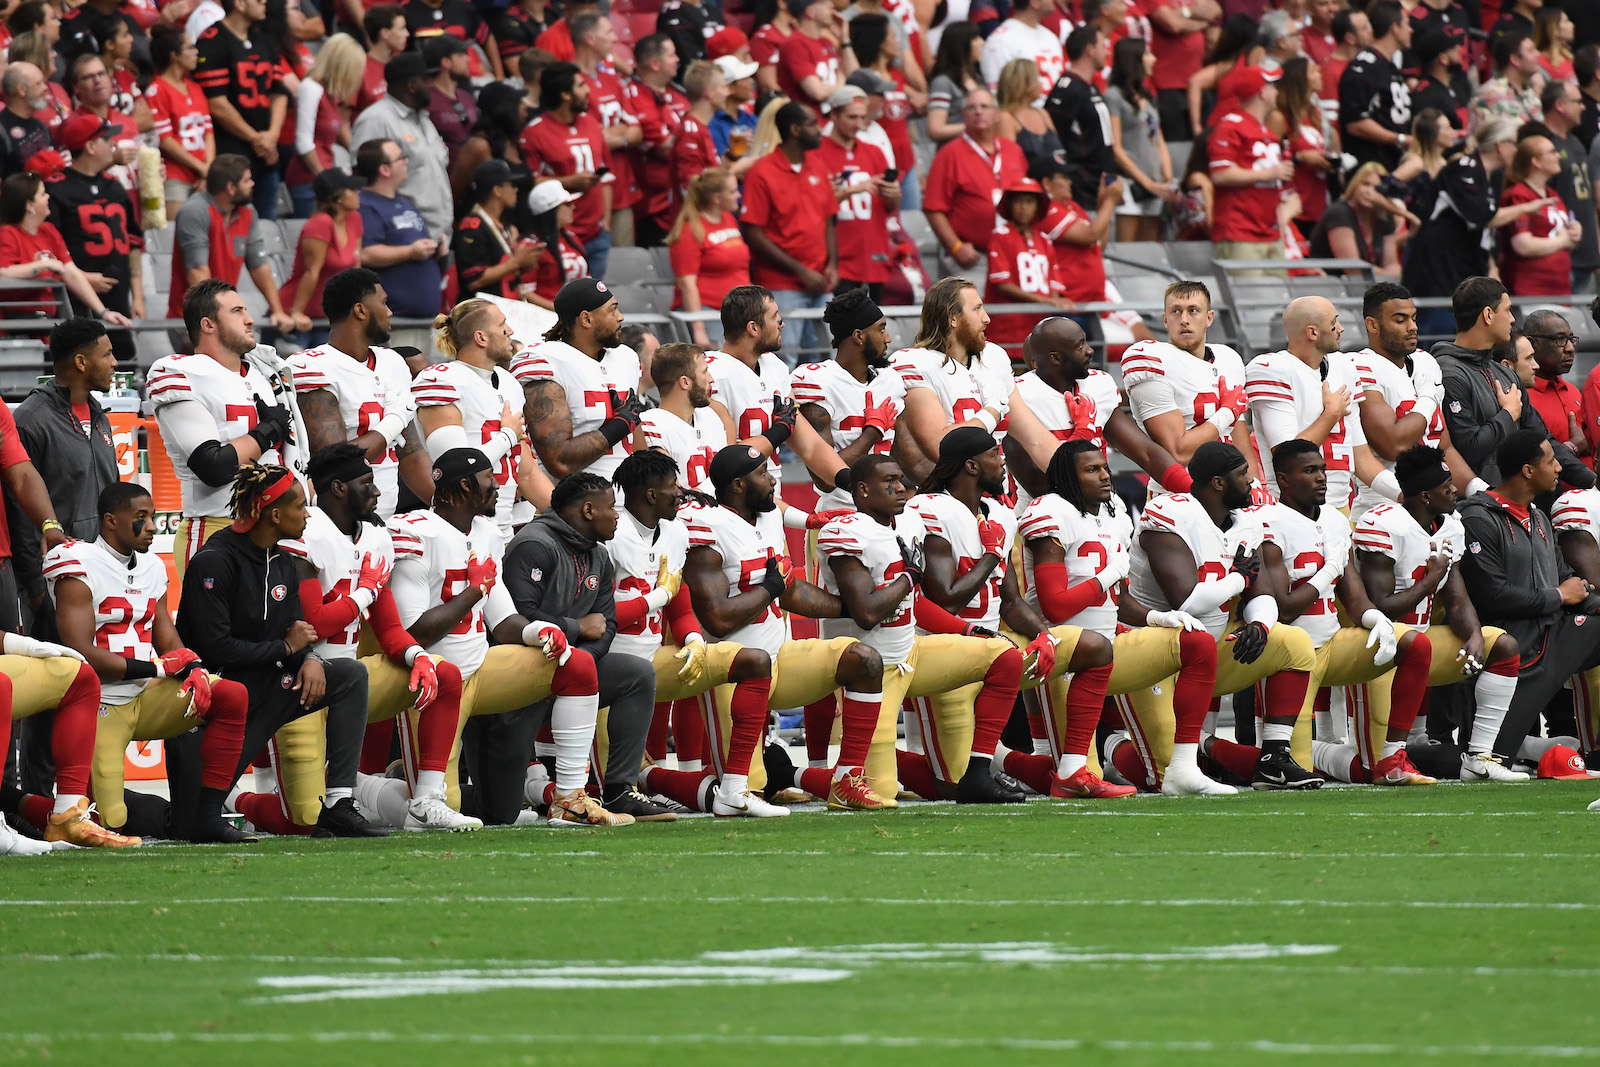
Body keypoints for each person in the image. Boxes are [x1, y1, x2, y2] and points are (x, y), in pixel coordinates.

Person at [244, 443, 476, 834]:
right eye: (367, 483)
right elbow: (312, 622)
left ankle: (425, 800)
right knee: (306, 821)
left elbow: (387, 629)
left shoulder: (375, 537)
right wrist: (365, 591)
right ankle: (238, 800)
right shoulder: (304, 531)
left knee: (443, 673)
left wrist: (416, 655)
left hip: (349, 679)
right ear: (337, 488)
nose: (378, 491)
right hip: (302, 679)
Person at [385, 447, 623, 826]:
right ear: (464, 486)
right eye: (488, 480)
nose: (498, 488)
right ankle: (371, 791)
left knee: (574, 664)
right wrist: (473, 591)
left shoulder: (485, 532)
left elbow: (503, 620)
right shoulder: (415, 532)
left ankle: (569, 797)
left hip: (482, 668)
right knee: (426, 814)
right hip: (434, 680)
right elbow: (415, 632)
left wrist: (540, 630)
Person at [175, 464, 385, 836]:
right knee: (187, 822)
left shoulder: (284, 561)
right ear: (274, 514)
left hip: (272, 686)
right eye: (301, 507)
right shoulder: (214, 561)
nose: (308, 514)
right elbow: (214, 649)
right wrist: (286, 648)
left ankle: (338, 801)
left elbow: (297, 633)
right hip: (225, 699)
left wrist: (309, 658)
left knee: (350, 675)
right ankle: (230, 800)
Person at [683, 444, 889, 809]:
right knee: (745, 794)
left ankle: (845, 779)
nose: (773, 478)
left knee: (864, 661)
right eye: (762, 473)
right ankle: (648, 776)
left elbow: (790, 590)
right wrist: (770, 588)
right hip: (734, 668)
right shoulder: (708, 528)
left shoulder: (767, 519)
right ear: (738, 486)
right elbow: (716, 617)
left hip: (781, 657)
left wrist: (849, 607)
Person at [819, 449, 1031, 804]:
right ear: (862, 490)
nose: (901, 488)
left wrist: (964, 630)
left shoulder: (911, 524)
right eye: (889, 482)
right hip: (873, 671)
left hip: (912, 653)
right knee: (881, 791)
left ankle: (979, 771)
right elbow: (868, 613)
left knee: (1003, 656)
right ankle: (802, 772)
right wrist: (908, 577)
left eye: (901, 480)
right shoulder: (846, 532)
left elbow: (913, 603)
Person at [46, 480, 252, 842]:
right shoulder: (78, 561)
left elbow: (164, 632)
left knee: (230, 695)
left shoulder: (153, 567)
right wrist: (159, 668)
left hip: (147, 695)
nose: (153, 526)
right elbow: (82, 652)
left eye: (154, 517)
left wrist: (192, 666)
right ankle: (60, 809)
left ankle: (208, 813)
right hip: (99, 703)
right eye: (141, 517)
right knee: (111, 822)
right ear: (111, 520)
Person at [1018, 439, 1224, 794]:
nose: (1105, 476)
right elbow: (1055, 607)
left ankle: (1185, 767)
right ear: (1069, 475)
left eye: (1104, 467)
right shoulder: (1050, 513)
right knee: (1063, 779)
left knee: (1197, 642)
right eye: (1092, 470)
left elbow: (1120, 600)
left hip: (1107, 650)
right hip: (1061, 653)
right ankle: (1001, 759)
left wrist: (1158, 617)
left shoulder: (1113, 511)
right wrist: (1107, 576)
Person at [1119, 441, 1320, 790]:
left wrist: (1259, 622)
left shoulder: (1246, 522)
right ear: (1218, 483)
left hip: (1208, 651)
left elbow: (1263, 593)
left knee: (1295, 643)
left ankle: (1273, 758)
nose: (1253, 482)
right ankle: (1115, 745)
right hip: (1155, 649)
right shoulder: (1171, 515)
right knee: (1161, 777)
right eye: (1243, 475)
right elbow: (1187, 601)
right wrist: (1238, 578)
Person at [607, 448, 783, 817]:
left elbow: (680, 603)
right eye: (673, 486)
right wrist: (656, 598)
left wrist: (691, 638)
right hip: (605, 665)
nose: (683, 493)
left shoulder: (674, 531)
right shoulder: (611, 534)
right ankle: (647, 780)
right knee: (602, 784)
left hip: (652, 656)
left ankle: (734, 788)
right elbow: (595, 613)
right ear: (652, 495)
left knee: (751, 661)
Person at [1251, 440, 1435, 787]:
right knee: (1288, 772)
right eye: (1310, 471)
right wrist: (1328, 571)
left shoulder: (1335, 521)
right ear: (1283, 479)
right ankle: (1213, 747)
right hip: (1289, 658)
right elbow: (1284, 610)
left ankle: (1394, 758)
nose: (1322, 478)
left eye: (1322, 469)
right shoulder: (1269, 522)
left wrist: (1375, 619)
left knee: (1415, 645)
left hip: (1333, 645)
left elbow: (1354, 596)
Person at [497, 471, 667, 822]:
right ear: (588, 510)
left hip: (570, 669)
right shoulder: (534, 545)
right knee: (497, 808)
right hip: (521, 670)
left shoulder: (600, 556)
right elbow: (516, 620)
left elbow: (606, 625)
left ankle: (620, 790)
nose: (617, 515)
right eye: (611, 508)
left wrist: (577, 670)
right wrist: (576, 629)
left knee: (636, 673)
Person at [1355, 443, 1523, 772]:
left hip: (1422, 645)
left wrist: (1474, 634)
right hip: (1380, 649)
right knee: (1371, 764)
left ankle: (1480, 756)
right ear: (1425, 496)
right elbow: (1380, 608)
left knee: (1501, 644)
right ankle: (1323, 754)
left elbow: (1456, 599)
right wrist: (1430, 580)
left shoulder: (1450, 525)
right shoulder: (1384, 524)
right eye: (1447, 487)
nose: (1456, 490)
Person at [1459, 430, 1600, 776]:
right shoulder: (1478, 517)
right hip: (1515, 648)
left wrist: (1578, 596)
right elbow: (1493, 594)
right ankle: (1335, 757)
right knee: (1477, 761)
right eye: (1551, 462)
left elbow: (1570, 581)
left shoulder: (1538, 516)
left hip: (1553, 634)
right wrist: (1558, 596)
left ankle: (1584, 750)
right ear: (1527, 470)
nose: (1559, 469)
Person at [148, 280, 303, 581]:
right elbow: (214, 466)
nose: (250, 319)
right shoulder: (183, 373)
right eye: (237, 311)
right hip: (217, 525)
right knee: (215, 628)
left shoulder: (265, 372)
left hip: (274, 525)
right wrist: (269, 429)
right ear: (208, 324)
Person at [288, 268, 429, 522]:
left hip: (385, 520)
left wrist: (448, 509)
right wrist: (394, 421)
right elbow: (336, 467)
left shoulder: (393, 363)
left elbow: (413, 457)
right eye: (384, 303)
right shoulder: (314, 366)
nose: (390, 312)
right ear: (360, 310)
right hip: (337, 525)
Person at [1004, 316, 1189, 508]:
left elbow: (1146, 453)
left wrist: (1195, 492)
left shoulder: (1097, 386)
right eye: (1079, 346)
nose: (1090, 351)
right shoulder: (1019, 397)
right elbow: (1041, 486)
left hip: (1102, 512)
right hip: (1045, 518)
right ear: (1055, 358)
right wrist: (1082, 432)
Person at [1436, 276, 1594, 490]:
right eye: (1508, 310)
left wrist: (1592, 481)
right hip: (1475, 510)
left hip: (1519, 506)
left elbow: (1541, 441)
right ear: (1488, 315)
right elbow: (1469, 449)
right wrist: (1508, 413)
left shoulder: (1506, 375)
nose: (1512, 319)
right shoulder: (1447, 373)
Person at [1245, 296, 1398, 510]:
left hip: (1340, 507)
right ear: (1313, 333)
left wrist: (1404, 495)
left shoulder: (1344, 367)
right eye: (1334, 323)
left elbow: (1361, 458)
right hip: (1292, 510)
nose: (1341, 329)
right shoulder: (1271, 369)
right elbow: (1288, 457)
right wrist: (1330, 415)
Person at [705, 285, 854, 492]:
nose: (781, 324)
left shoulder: (774, 366)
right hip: (733, 496)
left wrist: (851, 482)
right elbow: (726, 461)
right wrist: (779, 431)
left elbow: (810, 445)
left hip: (770, 493)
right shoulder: (711, 373)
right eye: (775, 316)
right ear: (753, 328)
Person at [413, 299, 539, 536]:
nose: (510, 332)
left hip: (506, 524)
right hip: (463, 529)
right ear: (481, 338)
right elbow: (455, 469)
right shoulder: (442, 381)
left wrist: (565, 516)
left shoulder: (509, 383)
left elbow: (527, 472)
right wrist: (507, 435)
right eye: (503, 326)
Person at [1351, 282, 1474, 519]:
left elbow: (1443, 445)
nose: (1413, 327)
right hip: (1384, 510)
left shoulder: (1425, 362)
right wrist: (1428, 397)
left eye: (1414, 318)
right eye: (1400, 320)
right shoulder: (1359, 366)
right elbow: (1394, 446)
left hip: (1434, 507)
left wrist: (1478, 488)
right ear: (1372, 325)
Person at [1122, 280, 1260, 477]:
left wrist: (1254, 488)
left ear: (1209, 318)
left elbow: (1242, 448)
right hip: (1180, 494)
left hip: (1230, 490)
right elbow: (1178, 453)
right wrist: (1228, 411)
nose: (1184, 319)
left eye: (1193, 310)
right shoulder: (1152, 360)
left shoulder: (1229, 359)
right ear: (1165, 319)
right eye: (1176, 312)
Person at [515, 277, 645, 487]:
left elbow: (633, 429)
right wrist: (619, 426)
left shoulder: (625, 357)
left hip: (626, 501)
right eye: (612, 310)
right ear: (586, 319)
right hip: (577, 503)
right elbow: (560, 461)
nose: (620, 317)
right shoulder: (545, 361)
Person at [1403, 119, 1530, 329]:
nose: (1517, 150)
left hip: (1465, 265)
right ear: (1500, 145)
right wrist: (1527, 208)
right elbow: (1483, 217)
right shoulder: (1463, 168)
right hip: (1439, 269)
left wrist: (1490, 264)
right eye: (1514, 144)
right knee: (1440, 330)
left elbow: (1482, 228)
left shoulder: (1491, 176)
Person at [166, 154, 299, 343]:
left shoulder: (248, 212)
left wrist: (277, 310)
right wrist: (219, 320)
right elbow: (198, 272)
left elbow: (258, 265)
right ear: (231, 188)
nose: (252, 183)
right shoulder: (194, 211)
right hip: (190, 321)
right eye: (246, 180)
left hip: (224, 316)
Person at [738, 101, 838, 353]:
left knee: (825, 358)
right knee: (785, 356)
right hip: (781, 286)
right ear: (795, 129)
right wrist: (800, 271)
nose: (820, 130)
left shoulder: (817, 164)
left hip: (821, 282)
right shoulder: (761, 172)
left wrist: (833, 265)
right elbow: (753, 234)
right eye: (813, 124)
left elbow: (828, 220)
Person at [792, 289, 904, 508]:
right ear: (859, 336)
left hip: (886, 512)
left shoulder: (890, 379)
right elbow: (824, 480)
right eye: (881, 329)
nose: (888, 338)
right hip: (839, 514)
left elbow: (909, 457)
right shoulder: (817, 381)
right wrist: (872, 433)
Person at [195, 0, 288, 220]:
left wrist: (272, 135)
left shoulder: (263, 39)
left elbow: (279, 93)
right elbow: (216, 103)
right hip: (231, 152)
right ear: (239, 4)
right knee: (231, 223)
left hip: (267, 153)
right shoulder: (212, 41)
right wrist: (257, 138)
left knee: (267, 224)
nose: (264, 2)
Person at [0, 170, 130, 328]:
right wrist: (43, 265)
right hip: (15, 325)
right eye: (42, 194)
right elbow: (4, 272)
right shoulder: (7, 233)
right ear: (29, 205)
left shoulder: (48, 231)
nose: (48, 197)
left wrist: (103, 312)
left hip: (47, 321)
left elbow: (70, 272)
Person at [521, 63, 614, 281]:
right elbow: (527, 183)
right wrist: (569, 182)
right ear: (565, 94)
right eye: (581, 85)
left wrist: (606, 221)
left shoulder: (591, 123)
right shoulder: (535, 132)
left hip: (596, 233)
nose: (588, 90)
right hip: (559, 236)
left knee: (594, 305)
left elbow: (608, 175)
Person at [924, 89, 1027, 283]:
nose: (978, 111)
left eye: (985, 107)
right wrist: (955, 247)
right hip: (974, 259)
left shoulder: (1013, 150)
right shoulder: (949, 154)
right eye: (972, 107)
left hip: (1014, 255)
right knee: (973, 312)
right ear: (963, 116)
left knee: (1013, 313)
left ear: (997, 115)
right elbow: (933, 208)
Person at [350, 52, 453, 245]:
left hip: (438, 234)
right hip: (402, 236)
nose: (432, 85)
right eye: (426, 80)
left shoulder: (423, 118)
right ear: (411, 85)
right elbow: (361, 179)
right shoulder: (376, 119)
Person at [815, 86, 898, 302]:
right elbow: (815, 207)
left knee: (874, 329)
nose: (859, 124)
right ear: (833, 114)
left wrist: (893, 193)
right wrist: (852, 190)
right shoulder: (816, 153)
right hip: (837, 258)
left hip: (873, 254)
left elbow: (891, 205)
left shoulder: (874, 152)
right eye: (852, 117)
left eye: (862, 117)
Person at [1208, 65, 1294, 269]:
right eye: (1272, 86)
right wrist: (1269, 173)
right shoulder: (1230, 126)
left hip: (1270, 231)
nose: (1277, 92)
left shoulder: (1267, 130)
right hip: (1240, 231)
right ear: (1262, 92)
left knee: (1278, 298)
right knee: (1250, 298)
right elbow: (1220, 173)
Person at [1520, 80, 1599, 294]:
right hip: (1560, 255)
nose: (1583, 107)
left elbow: (1590, 200)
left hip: (1586, 251)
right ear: (1559, 105)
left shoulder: (1576, 142)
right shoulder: (1540, 145)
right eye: (1577, 102)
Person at [354, 137, 443, 321]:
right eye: (400, 158)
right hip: (395, 319)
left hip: (425, 317)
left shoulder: (404, 202)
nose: (406, 162)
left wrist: (434, 249)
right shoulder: (366, 205)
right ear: (385, 169)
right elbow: (366, 253)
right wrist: (410, 252)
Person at [985, 177, 1071, 353]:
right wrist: (1047, 301)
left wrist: (1053, 302)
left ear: (1037, 207)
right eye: (1018, 201)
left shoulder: (1044, 240)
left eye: (1029, 202)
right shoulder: (1000, 236)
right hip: (1007, 328)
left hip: (1039, 326)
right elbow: (1002, 284)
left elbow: (1054, 284)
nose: (1024, 207)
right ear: (1009, 204)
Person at [281, 169, 365, 346]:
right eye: (352, 189)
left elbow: (356, 270)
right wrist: (297, 312)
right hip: (300, 316)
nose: (358, 192)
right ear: (337, 198)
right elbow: (311, 272)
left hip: (329, 316)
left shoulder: (354, 218)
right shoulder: (320, 223)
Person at [668, 167, 749, 347]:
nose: (738, 195)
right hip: (709, 312)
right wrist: (699, 330)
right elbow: (686, 284)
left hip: (738, 311)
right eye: (733, 191)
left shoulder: (729, 218)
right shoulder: (689, 231)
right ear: (716, 198)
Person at [1105, 36, 1176, 243]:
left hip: (1155, 182)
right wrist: (1145, 183)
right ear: (1133, 59)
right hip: (1128, 182)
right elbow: (1116, 148)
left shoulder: (1147, 96)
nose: (1153, 59)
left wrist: (1167, 177)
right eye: (1147, 54)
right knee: (1128, 246)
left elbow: (1159, 140)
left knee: (1149, 247)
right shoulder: (1114, 96)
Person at [637, 341, 731, 495]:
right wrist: (720, 481)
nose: (711, 379)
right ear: (685, 382)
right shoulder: (650, 425)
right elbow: (671, 494)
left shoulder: (710, 416)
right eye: (705, 372)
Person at [286, 33, 363, 219]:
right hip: (308, 181)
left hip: (324, 174)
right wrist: (326, 181)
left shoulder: (329, 94)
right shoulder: (311, 89)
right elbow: (304, 142)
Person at [626, 34, 690, 248]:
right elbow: (663, 146)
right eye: (672, 55)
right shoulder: (634, 95)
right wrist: (692, 143)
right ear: (655, 63)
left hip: (685, 201)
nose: (678, 59)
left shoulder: (679, 92)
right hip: (654, 207)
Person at [1500, 135, 1584, 297]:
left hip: (1561, 288)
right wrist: (1562, 241)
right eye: (1552, 152)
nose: (1558, 156)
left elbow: (1562, 236)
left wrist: (1574, 231)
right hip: (1531, 290)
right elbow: (1523, 245)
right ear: (1536, 162)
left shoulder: (1553, 195)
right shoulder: (1518, 195)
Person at [146, 26, 214, 221]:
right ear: (174, 55)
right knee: (174, 236)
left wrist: (207, 169)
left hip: (203, 175)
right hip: (176, 177)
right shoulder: (157, 90)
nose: (196, 52)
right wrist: (202, 168)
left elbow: (208, 132)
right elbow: (165, 141)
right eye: (190, 48)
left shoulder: (195, 88)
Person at [452, 159, 542, 302]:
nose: (516, 189)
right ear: (497, 190)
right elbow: (474, 280)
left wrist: (527, 260)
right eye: (512, 185)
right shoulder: (472, 226)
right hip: (482, 314)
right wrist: (517, 261)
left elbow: (504, 268)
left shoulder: (503, 225)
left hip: (507, 307)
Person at [1338, 0, 1413, 171]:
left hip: (1394, 162)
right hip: (1370, 170)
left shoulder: (1389, 66)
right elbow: (1356, 124)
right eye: (1407, 24)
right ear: (1394, 28)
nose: (1411, 30)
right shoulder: (1362, 70)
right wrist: (1401, 139)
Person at [1044, 25, 1116, 199]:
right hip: (1083, 189)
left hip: (1103, 185)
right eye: (1102, 46)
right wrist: (1077, 177)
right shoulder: (1068, 90)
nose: (1107, 53)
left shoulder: (1090, 87)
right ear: (1089, 50)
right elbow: (1056, 138)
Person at [449, 83, 534, 224]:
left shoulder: (515, 142)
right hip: (490, 233)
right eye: (518, 103)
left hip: (521, 230)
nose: (525, 107)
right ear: (505, 109)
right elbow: (455, 195)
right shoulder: (479, 146)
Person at [1308, 162, 1406, 275]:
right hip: (1331, 283)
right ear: (1355, 185)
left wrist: (1390, 277)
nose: (1369, 191)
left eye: (1376, 188)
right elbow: (1353, 268)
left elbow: (1391, 263)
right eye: (1365, 184)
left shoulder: (1384, 215)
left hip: (1371, 284)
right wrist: (1385, 277)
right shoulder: (1339, 212)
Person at [1276, 56, 1337, 236]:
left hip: (1317, 200)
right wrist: (1300, 158)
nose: (1320, 73)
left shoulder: (1314, 113)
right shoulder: (1280, 117)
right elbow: (1268, 158)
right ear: (1300, 79)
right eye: (1313, 71)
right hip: (1293, 202)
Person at [1522, 309, 1588, 466]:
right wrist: (1573, 447)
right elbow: (1525, 464)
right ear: (1532, 344)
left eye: (1571, 339)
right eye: (1559, 339)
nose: (1570, 348)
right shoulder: (1520, 398)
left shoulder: (1573, 391)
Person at [1148, 0, 1220, 141]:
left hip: (1199, 82)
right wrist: (1201, 21)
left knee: (1202, 141)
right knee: (1177, 144)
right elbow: (1174, 25)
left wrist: (1184, 13)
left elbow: (1215, 9)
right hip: (1168, 84)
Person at [524, 177, 588, 309]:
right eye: (567, 204)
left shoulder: (572, 238)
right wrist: (560, 310)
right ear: (551, 211)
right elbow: (525, 293)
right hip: (547, 318)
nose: (573, 207)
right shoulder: (531, 246)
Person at [979, 0, 1062, 97]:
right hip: (1022, 110)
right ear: (1034, 2)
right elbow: (997, 94)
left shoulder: (1050, 37)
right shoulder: (1000, 40)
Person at [775, 0, 848, 110]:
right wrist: (844, 86)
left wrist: (845, 39)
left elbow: (855, 75)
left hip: (833, 118)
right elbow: (817, 92)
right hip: (811, 120)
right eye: (824, 2)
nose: (832, 5)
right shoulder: (795, 44)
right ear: (810, 12)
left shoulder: (826, 42)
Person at [1469, 29, 1542, 138]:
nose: (1538, 54)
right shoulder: (1487, 95)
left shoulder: (1531, 93)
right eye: (1531, 51)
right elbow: (1480, 142)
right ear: (1515, 59)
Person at [995, 59, 1063, 169]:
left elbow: (1059, 153)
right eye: (1036, 78)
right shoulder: (1006, 118)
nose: (1040, 83)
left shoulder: (1042, 113)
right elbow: (1010, 164)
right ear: (1024, 83)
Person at [422, 35, 477, 171]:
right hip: (445, 178)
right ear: (446, 62)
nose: (468, 59)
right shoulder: (427, 101)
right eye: (461, 55)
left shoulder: (466, 97)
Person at [925, 21, 982, 144]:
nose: (982, 42)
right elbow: (935, 129)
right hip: (954, 152)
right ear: (961, 44)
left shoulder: (977, 79)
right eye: (976, 38)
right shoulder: (942, 83)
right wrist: (976, 126)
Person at [0, 63, 54, 181]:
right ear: (22, 90)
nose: (45, 88)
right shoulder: (2, 132)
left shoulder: (40, 125)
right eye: (39, 83)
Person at [356, 5, 408, 115]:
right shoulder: (359, 70)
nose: (407, 34)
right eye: (402, 29)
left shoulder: (404, 66)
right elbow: (344, 119)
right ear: (385, 33)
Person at [1534, 6, 1576, 84]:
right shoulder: (1540, 61)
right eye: (1566, 21)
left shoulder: (1569, 57)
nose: (1572, 25)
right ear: (1554, 28)